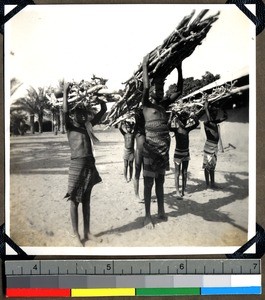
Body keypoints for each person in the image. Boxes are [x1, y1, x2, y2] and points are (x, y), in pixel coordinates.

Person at [141, 53, 183, 229]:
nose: (159, 91)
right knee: (149, 182)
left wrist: (179, 68)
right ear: (150, 91)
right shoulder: (146, 105)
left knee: (160, 181)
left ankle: (161, 210)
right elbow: (145, 87)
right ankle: (147, 216)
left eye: (161, 88)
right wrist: (144, 67)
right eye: (156, 88)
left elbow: (179, 90)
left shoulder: (164, 105)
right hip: (150, 149)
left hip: (164, 149)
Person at [63, 82, 107, 245]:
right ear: (74, 114)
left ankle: (87, 233)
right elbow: (65, 111)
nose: (82, 116)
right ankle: (76, 235)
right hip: (76, 164)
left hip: (89, 164)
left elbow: (103, 111)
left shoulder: (87, 125)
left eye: (84, 113)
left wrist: (101, 99)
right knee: (74, 200)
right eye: (78, 113)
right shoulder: (70, 126)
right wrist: (66, 92)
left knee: (87, 200)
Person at [169, 109, 199, 198]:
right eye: (183, 120)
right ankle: (178, 191)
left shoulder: (187, 129)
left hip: (186, 153)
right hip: (178, 153)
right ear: (178, 120)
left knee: (185, 172)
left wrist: (193, 116)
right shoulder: (176, 130)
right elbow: (168, 126)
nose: (184, 122)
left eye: (185, 120)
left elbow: (197, 123)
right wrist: (171, 116)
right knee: (177, 173)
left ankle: (183, 190)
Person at [202, 96, 227, 189]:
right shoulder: (207, 123)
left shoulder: (215, 122)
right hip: (209, 146)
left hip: (215, 146)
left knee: (212, 166)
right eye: (214, 113)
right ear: (210, 113)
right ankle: (207, 184)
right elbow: (209, 119)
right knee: (207, 166)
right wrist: (206, 108)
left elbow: (225, 117)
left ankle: (212, 183)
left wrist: (223, 109)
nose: (216, 115)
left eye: (216, 113)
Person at [133, 108, 145, 200]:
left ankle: (143, 194)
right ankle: (137, 195)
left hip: (145, 153)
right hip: (139, 153)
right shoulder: (136, 130)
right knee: (137, 173)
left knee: (145, 174)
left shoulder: (146, 129)